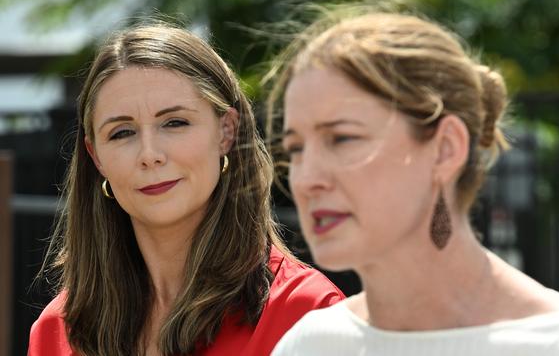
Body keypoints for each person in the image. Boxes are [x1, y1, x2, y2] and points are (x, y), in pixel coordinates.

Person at [266, 11, 559, 356]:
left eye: (342, 138)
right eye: (295, 149)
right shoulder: (311, 344)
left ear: (445, 149)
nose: (306, 178)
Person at [28, 21, 344, 356]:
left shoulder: (307, 315)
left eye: (174, 123)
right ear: (97, 158)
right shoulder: (57, 331)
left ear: (226, 132)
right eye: (122, 132)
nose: (150, 155)